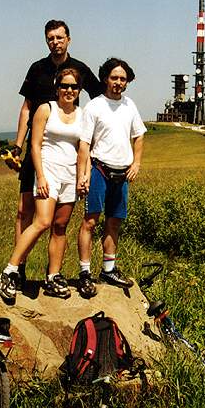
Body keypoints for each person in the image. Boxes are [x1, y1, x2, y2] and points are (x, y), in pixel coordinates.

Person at [7, 20, 102, 290]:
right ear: (46, 40)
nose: (55, 42)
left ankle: (52, 274)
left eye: (60, 37)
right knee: (24, 211)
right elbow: (26, 108)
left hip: (68, 152)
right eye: (50, 38)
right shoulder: (37, 68)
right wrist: (18, 145)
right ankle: (18, 269)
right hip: (39, 148)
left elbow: (98, 100)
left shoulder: (80, 69)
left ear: (68, 39)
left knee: (58, 222)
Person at [0, 68, 87, 304]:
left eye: (74, 87)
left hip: (70, 174)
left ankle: (53, 276)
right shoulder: (46, 109)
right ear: (57, 88)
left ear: (79, 90)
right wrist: (40, 176)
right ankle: (10, 271)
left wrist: (82, 176)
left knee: (60, 226)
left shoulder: (82, 115)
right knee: (43, 222)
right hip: (48, 171)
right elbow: (35, 145)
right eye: (64, 86)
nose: (69, 90)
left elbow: (83, 149)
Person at [76, 57, 147, 298]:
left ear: (128, 82)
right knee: (90, 222)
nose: (118, 82)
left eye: (123, 79)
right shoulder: (94, 106)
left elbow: (139, 135)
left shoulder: (130, 106)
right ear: (105, 78)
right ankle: (85, 273)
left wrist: (136, 163)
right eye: (114, 77)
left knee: (114, 222)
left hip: (122, 172)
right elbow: (84, 143)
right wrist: (83, 175)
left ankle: (108, 270)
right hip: (99, 169)